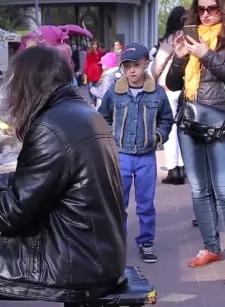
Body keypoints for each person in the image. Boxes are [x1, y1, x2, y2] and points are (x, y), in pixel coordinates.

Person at [0, 45, 127, 307]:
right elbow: (35, 182)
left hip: (75, 261)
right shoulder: (80, 113)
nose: (12, 94)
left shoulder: (50, 127)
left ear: (29, 84)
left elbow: (15, 210)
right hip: (93, 250)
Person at [99, 43, 174, 263]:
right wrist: (111, 135)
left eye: (137, 65)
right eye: (127, 66)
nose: (132, 70)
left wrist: (158, 136)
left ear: (146, 65)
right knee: (117, 203)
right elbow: (102, 117)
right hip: (120, 157)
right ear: (122, 67)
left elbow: (166, 119)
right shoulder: (114, 92)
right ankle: (117, 243)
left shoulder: (157, 93)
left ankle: (146, 242)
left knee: (145, 204)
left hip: (146, 157)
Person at [165, 0, 225, 268]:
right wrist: (179, 57)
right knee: (199, 189)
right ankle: (210, 247)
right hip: (189, 121)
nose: (205, 14)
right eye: (200, 9)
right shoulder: (191, 37)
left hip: (219, 121)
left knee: (223, 189)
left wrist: (205, 54)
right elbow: (172, 84)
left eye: (212, 8)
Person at [151, 6, 187, 185]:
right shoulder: (192, 37)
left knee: (170, 128)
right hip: (187, 87)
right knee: (183, 128)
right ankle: (183, 167)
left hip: (168, 87)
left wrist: (155, 80)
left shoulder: (170, 39)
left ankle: (173, 169)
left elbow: (157, 65)